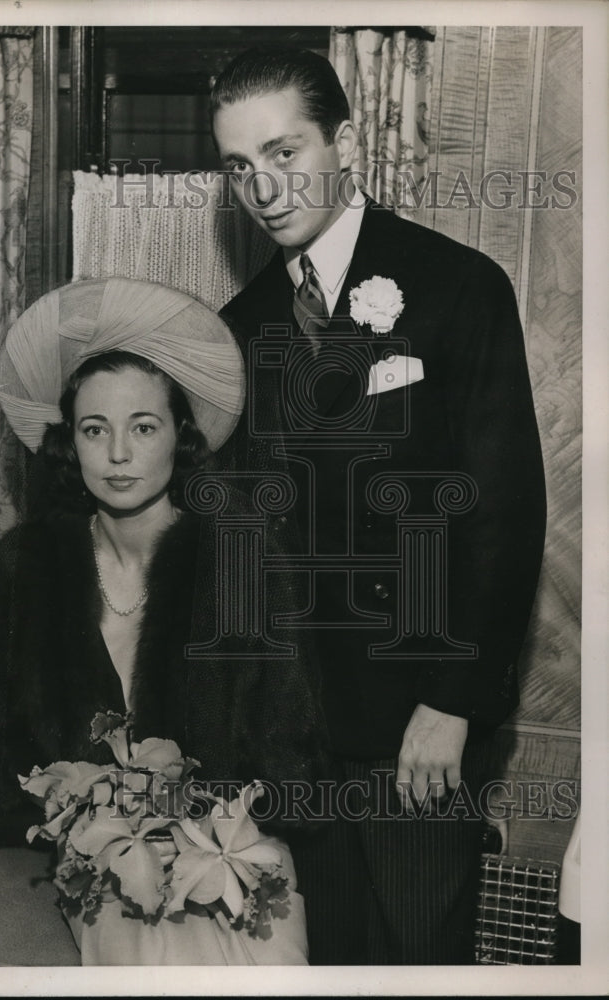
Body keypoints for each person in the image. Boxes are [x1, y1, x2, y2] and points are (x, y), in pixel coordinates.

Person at [210, 46, 547, 964]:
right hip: (291, 735)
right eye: (241, 168)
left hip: (417, 726)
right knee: (317, 962)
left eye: (284, 153)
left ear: (346, 141)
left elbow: (504, 516)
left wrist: (453, 701)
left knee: (417, 958)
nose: (265, 188)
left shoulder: (457, 287)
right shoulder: (241, 328)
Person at [0, 276, 324, 965]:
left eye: (144, 427)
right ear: (71, 442)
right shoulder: (25, 565)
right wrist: (83, 817)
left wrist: (188, 826)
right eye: (95, 430)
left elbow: (289, 765)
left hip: (229, 854)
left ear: (180, 437)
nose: (119, 454)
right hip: (94, 863)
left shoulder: (240, 558)